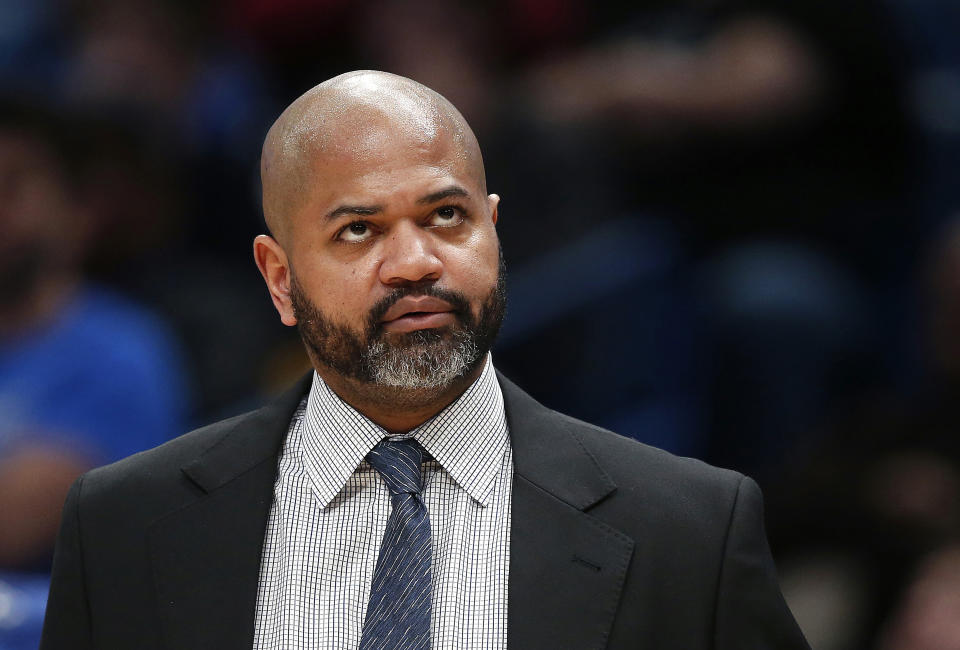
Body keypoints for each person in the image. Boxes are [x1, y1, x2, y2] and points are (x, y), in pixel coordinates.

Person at [39, 71, 808, 649]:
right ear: (279, 278)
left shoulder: (691, 530)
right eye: (358, 230)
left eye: (447, 216)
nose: (414, 262)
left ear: (494, 230)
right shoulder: (123, 526)